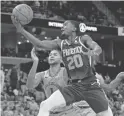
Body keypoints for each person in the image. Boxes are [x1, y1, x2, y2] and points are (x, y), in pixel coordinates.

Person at [11, 16, 112, 116]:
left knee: (105, 113)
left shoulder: (83, 39)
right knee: (45, 105)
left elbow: (96, 47)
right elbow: (39, 44)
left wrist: (94, 52)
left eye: (65, 25)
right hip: (75, 86)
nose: (62, 27)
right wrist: (22, 30)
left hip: (90, 85)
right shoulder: (60, 43)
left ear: (74, 29)